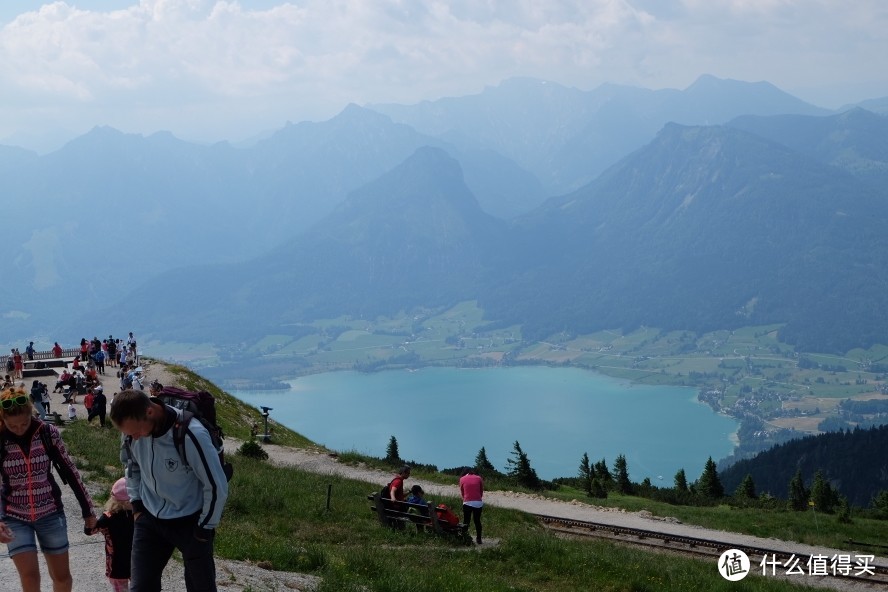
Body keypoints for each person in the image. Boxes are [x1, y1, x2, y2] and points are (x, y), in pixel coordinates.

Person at [110, 389, 229, 592]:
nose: (134, 438)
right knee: (140, 588)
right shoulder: (132, 432)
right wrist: (137, 506)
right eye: (129, 434)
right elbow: (131, 466)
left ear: (149, 412)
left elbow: (216, 485)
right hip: (149, 517)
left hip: (191, 522)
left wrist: (204, 529)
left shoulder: (190, 433)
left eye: (136, 432)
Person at [0, 387, 97, 592]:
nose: (19, 429)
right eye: (12, 426)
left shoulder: (46, 433)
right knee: (30, 576)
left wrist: (88, 511)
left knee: (61, 576)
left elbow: (70, 472)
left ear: (31, 413)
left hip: (50, 512)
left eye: (24, 423)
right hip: (14, 515)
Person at [89, 477, 134, 592]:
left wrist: (90, 523)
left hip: (117, 562)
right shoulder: (138, 516)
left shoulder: (108, 516)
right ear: (127, 501)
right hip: (132, 561)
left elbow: (90, 531)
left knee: (120, 589)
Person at [459, 468, 484, 544]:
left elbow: (462, 492)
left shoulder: (462, 479)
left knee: (466, 521)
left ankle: (465, 538)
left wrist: (465, 499)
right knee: (477, 521)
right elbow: (481, 491)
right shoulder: (479, 478)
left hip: (467, 502)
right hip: (478, 502)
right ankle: (479, 539)